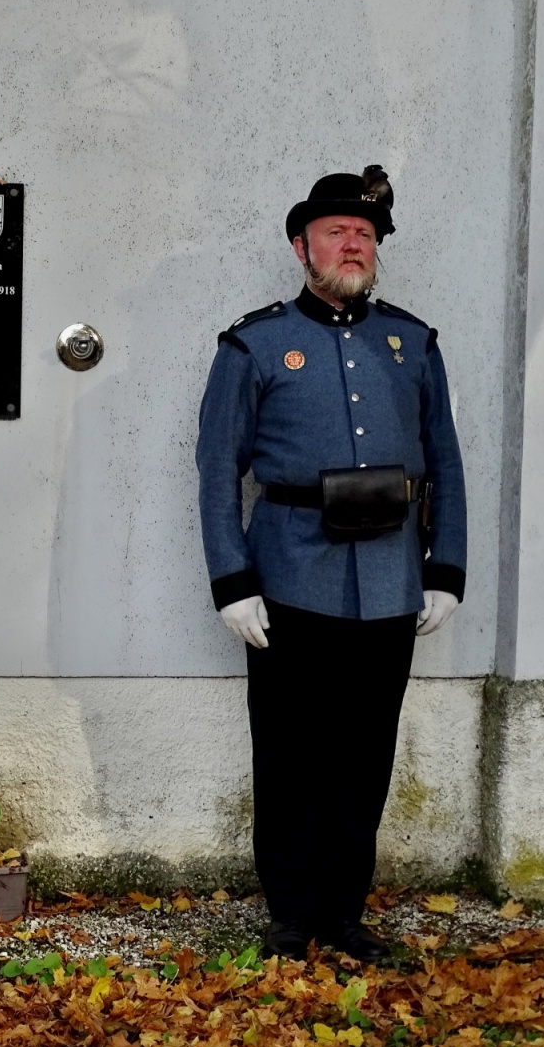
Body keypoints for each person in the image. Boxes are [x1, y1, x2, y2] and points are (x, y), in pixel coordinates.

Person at [195, 167, 466, 962]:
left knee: (363, 757)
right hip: (290, 576)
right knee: (289, 754)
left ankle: (345, 913)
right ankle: (289, 914)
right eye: (336, 232)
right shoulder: (254, 345)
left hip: (389, 580)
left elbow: (446, 463)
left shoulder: (412, 345)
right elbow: (216, 469)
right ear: (301, 247)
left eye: (364, 234)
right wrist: (232, 582)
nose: (353, 244)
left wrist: (445, 567)